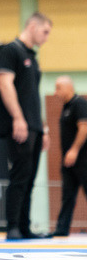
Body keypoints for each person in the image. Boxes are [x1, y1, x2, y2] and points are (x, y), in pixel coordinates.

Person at [0, 12, 52, 240]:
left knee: (30, 178)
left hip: (34, 127)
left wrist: (43, 128)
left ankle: (25, 227)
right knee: (19, 176)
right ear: (32, 26)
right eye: (45, 31)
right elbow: (4, 84)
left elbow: (32, 96)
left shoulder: (32, 56)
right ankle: (13, 227)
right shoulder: (12, 50)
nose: (46, 37)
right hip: (19, 126)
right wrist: (18, 118)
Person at [53, 76, 87, 237]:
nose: (56, 92)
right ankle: (61, 229)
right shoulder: (66, 107)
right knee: (67, 196)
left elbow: (84, 127)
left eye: (58, 87)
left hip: (82, 160)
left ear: (69, 87)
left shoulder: (79, 104)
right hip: (68, 163)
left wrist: (74, 150)